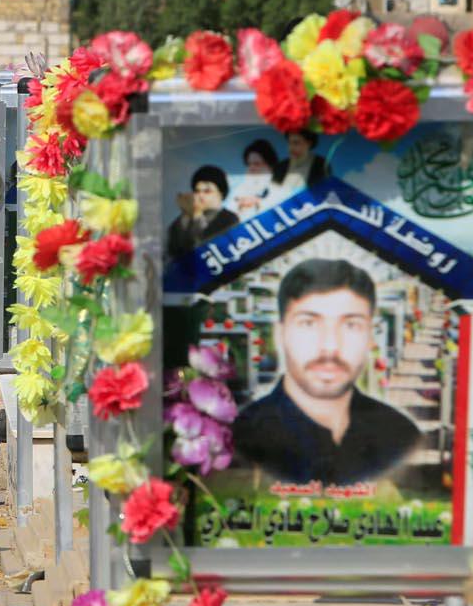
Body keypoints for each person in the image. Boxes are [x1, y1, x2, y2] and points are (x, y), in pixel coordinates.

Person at [234, 258, 419, 484]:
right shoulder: (239, 437)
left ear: (370, 336)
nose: (330, 346)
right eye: (308, 323)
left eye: (351, 325)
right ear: (279, 334)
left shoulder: (402, 436)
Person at [165, 165, 240, 259]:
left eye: (207, 191)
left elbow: (204, 249)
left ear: (221, 193)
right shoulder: (181, 221)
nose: (200, 195)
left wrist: (196, 216)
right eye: (197, 191)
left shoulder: (229, 219)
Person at [272, 129, 331, 196]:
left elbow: (324, 192)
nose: (291, 148)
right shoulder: (281, 166)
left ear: (309, 143)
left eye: (296, 143)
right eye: (289, 143)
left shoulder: (321, 165)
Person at [233, 139, 280, 218]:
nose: (251, 169)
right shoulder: (240, 191)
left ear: (270, 166)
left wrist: (258, 202)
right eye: (249, 164)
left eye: (257, 164)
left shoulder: (281, 188)